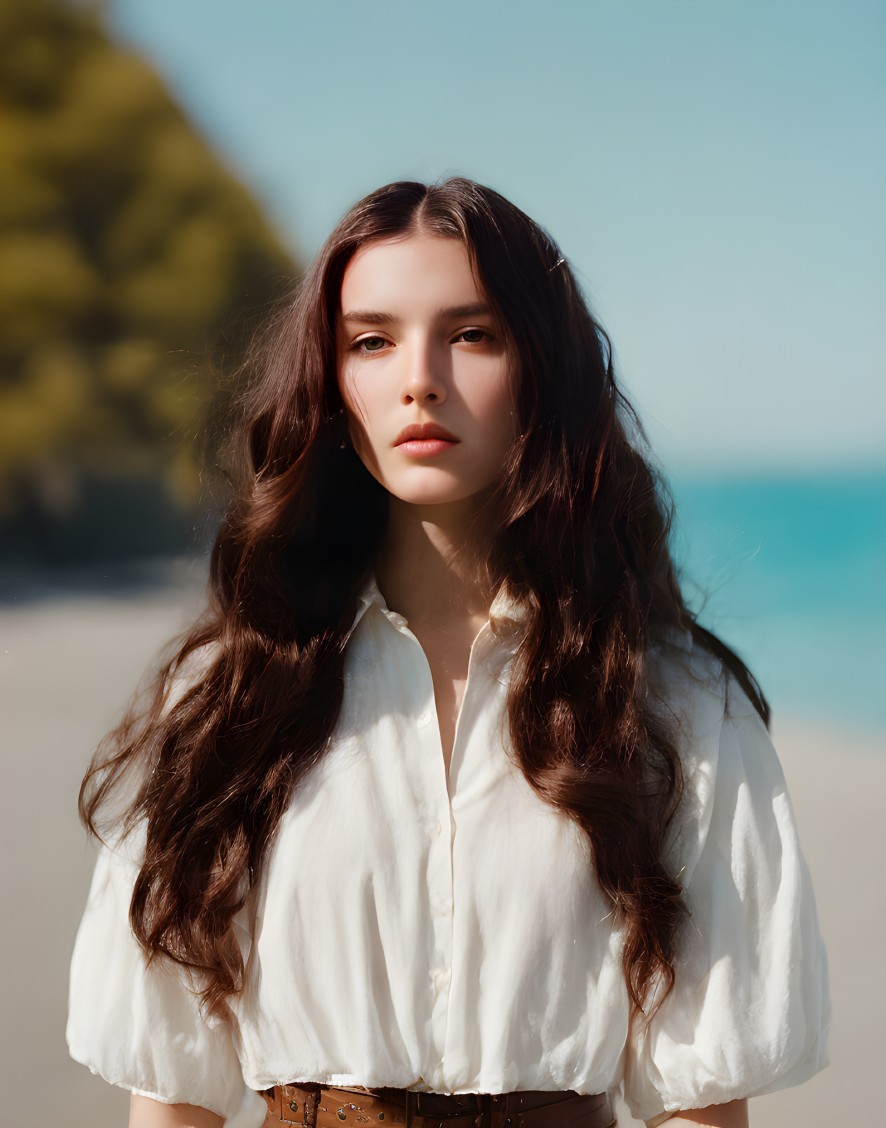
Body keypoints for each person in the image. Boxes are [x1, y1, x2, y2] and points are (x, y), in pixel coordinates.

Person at [67, 178, 830, 1128]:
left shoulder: (670, 702)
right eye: (372, 341)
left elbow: (703, 1103)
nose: (418, 377)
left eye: (473, 334)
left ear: (541, 369)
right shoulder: (231, 696)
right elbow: (173, 1089)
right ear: (331, 382)